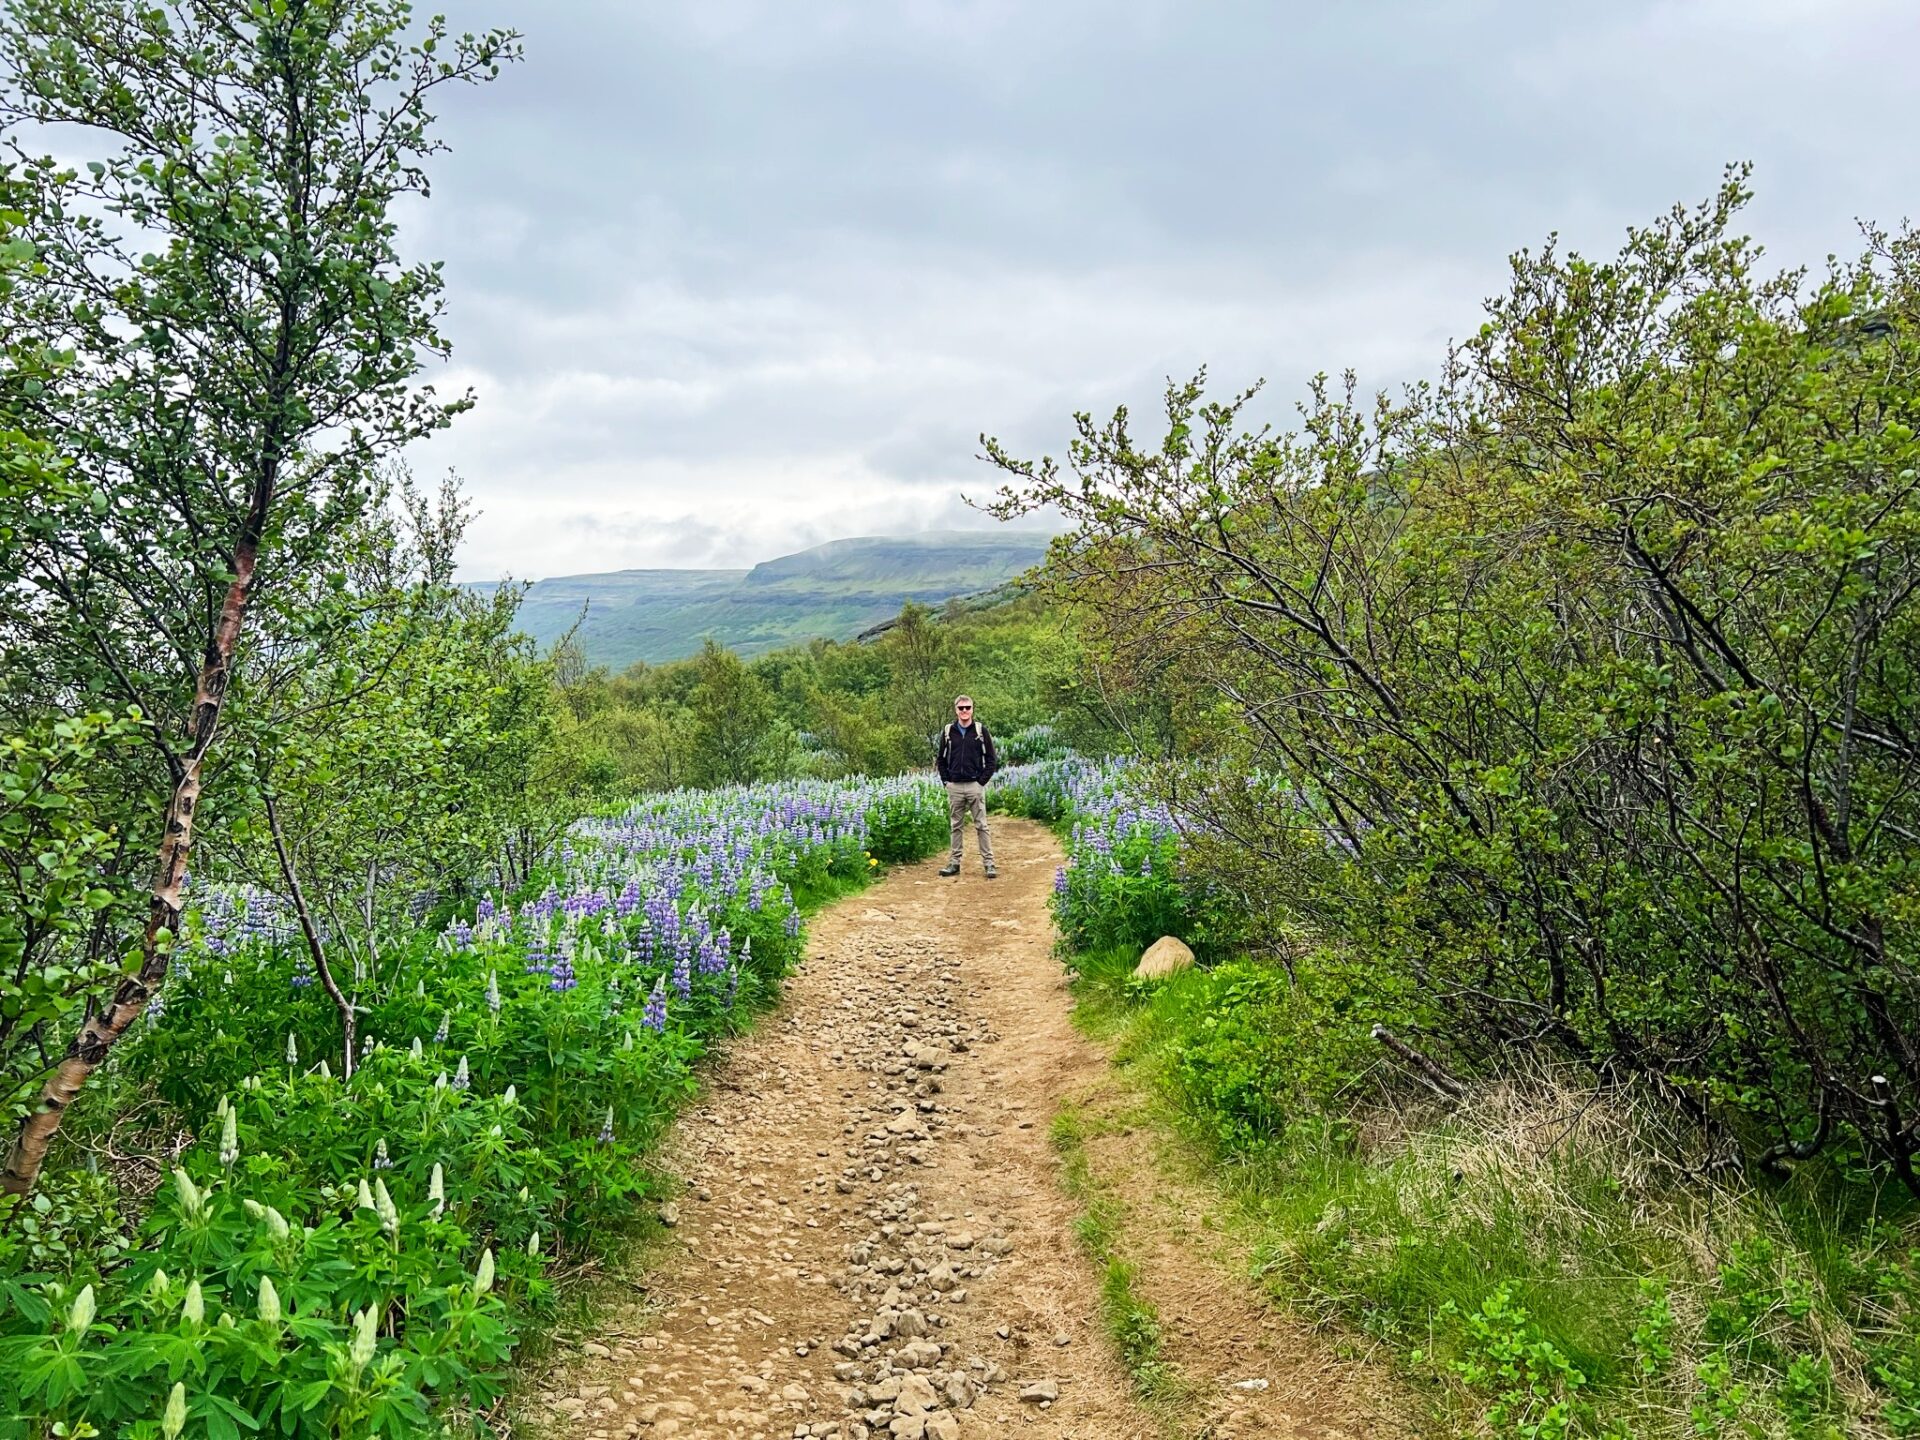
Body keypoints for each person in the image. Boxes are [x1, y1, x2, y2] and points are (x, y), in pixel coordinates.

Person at [935, 694, 998, 878]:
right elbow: (941, 759)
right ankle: (954, 863)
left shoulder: (980, 730)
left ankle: (989, 864)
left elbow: (991, 759)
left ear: (972, 709)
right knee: (956, 826)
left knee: (982, 826)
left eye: (967, 707)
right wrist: (946, 781)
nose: (964, 711)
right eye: (961, 708)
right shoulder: (948, 731)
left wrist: (981, 782)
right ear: (956, 710)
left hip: (974, 785)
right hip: (955, 785)